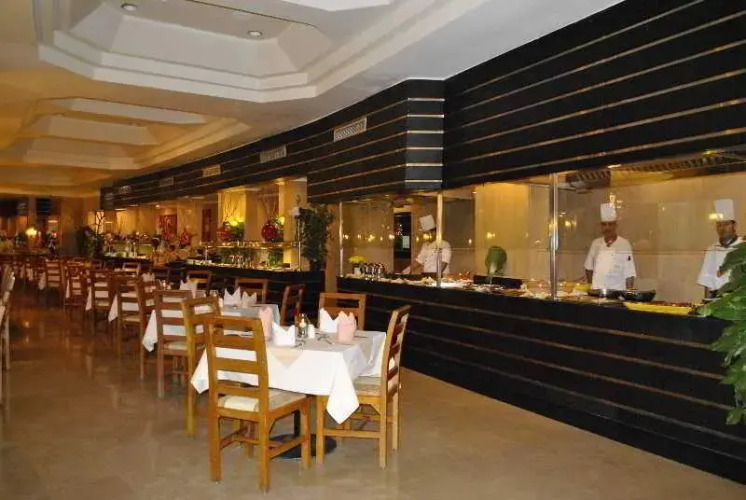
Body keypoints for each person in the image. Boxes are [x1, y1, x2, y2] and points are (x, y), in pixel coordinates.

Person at [584, 203, 636, 290]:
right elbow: (588, 267)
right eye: (604, 224)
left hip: (617, 293)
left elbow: (629, 273)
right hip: (597, 292)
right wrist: (591, 286)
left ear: (615, 226)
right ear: (601, 226)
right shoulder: (595, 243)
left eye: (610, 224)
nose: (607, 227)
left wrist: (629, 293)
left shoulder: (624, 244)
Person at [697, 199, 742, 298]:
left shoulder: (743, 246)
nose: (722, 228)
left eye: (726, 224)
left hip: (739, 297)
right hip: (717, 297)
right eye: (719, 225)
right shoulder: (712, 249)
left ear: (734, 226)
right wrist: (706, 303)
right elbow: (706, 280)